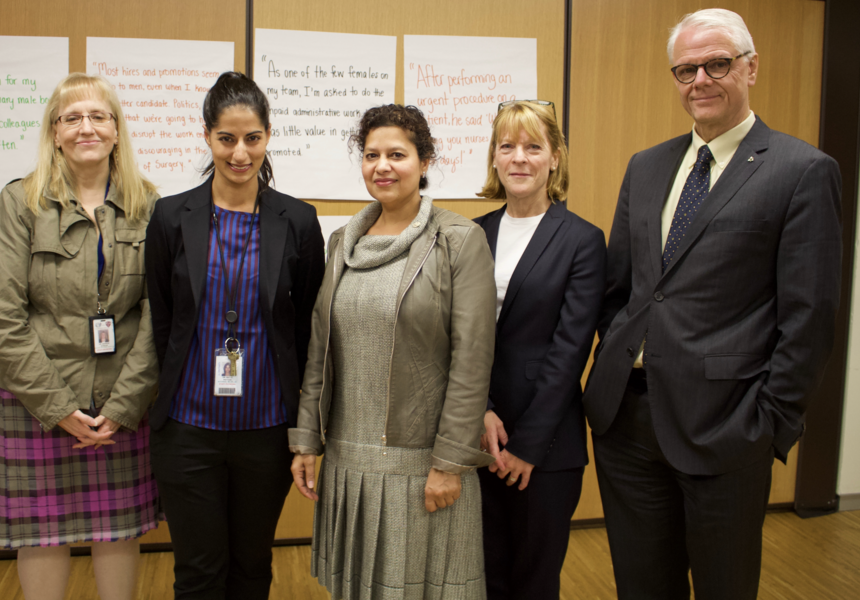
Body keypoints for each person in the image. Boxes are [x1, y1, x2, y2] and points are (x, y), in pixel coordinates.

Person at [582, 9, 842, 599]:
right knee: (642, 586)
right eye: (685, 69)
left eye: (716, 63)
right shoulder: (647, 166)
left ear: (750, 68)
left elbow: (811, 316)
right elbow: (620, 288)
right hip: (627, 422)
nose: (699, 79)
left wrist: (768, 422)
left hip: (727, 425)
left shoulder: (802, 171)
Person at [289, 104, 496, 599]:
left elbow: (472, 361)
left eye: (397, 154)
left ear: (425, 162)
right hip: (347, 458)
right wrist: (306, 439)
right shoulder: (342, 241)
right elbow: (321, 345)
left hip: (421, 464)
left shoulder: (459, 240)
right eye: (371, 155)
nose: (382, 166)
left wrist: (449, 463)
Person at [0, 72, 161, 600]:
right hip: (36, 402)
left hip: (117, 403)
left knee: (118, 533)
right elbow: (3, 318)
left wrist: (125, 405)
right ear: (54, 132)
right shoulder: (19, 203)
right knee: (40, 537)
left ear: (116, 130)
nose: (86, 127)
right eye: (72, 117)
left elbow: (157, 315)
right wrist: (57, 408)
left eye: (98, 116)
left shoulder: (147, 204)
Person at [145, 71, 325, 599]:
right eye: (227, 138)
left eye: (252, 138)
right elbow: (161, 317)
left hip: (267, 431)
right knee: (199, 572)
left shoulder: (297, 220)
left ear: (267, 135)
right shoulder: (171, 217)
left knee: (250, 567)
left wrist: (307, 430)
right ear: (207, 135)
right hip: (187, 428)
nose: (240, 153)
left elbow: (310, 325)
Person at [473, 100, 606, 599]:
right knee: (485, 576)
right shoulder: (473, 233)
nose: (519, 158)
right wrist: (479, 410)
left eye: (533, 146)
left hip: (546, 446)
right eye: (507, 146)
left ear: (554, 159)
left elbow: (569, 352)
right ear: (494, 158)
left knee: (534, 579)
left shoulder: (582, 241)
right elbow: (459, 335)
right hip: (476, 436)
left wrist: (527, 446)